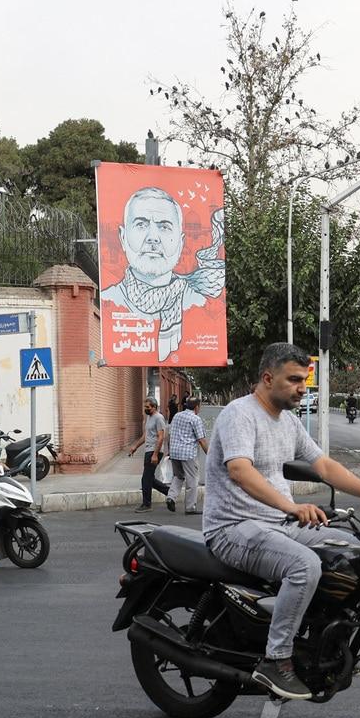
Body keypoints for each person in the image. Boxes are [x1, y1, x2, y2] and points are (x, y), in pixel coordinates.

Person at [203, 342, 360, 700]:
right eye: (294, 380)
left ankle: (329, 645)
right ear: (268, 378)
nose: (303, 387)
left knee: (357, 552)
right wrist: (291, 507)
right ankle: (276, 659)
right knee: (304, 566)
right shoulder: (239, 414)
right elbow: (240, 471)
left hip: (276, 525)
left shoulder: (287, 421)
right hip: (233, 528)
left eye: (304, 380)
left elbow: (324, 466)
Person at [100, 188, 225, 360]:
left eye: (164, 227)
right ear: (122, 237)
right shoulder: (107, 303)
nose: (153, 237)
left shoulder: (204, 307)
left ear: (181, 243)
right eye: (141, 224)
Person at [128, 396, 174, 513]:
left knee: (146, 479)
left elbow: (161, 437)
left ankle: (147, 504)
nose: (146, 409)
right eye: (145, 407)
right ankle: (170, 492)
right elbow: (145, 435)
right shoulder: (149, 418)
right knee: (150, 479)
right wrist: (135, 447)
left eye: (148, 407)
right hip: (149, 450)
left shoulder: (159, 418)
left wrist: (155, 454)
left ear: (154, 407)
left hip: (154, 451)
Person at [167, 397, 208, 515]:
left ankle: (171, 497)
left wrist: (169, 450)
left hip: (174, 452)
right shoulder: (196, 419)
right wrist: (210, 455)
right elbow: (202, 440)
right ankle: (190, 507)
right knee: (192, 479)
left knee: (178, 476)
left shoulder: (177, 416)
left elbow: (170, 434)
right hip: (188, 453)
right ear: (197, 407)